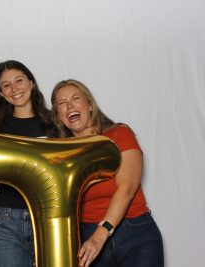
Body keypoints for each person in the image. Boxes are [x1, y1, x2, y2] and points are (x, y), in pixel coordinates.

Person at [50, 79, 164, 267]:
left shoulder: (119, 134)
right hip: (86, 237)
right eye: (62, 103)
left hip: (134, 232)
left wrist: (100, 235)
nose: (69, 105)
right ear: (59, 116)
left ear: (90, 105)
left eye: (75, 98)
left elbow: (127, 187)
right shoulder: (61, 154)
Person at [0, 60, 57, 267]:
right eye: (6, 85)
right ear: (1, 94)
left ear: (31, 83)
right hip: (7, 221)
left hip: (49, 219)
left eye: (19, 80)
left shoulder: (55, 124)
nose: (14, 89)